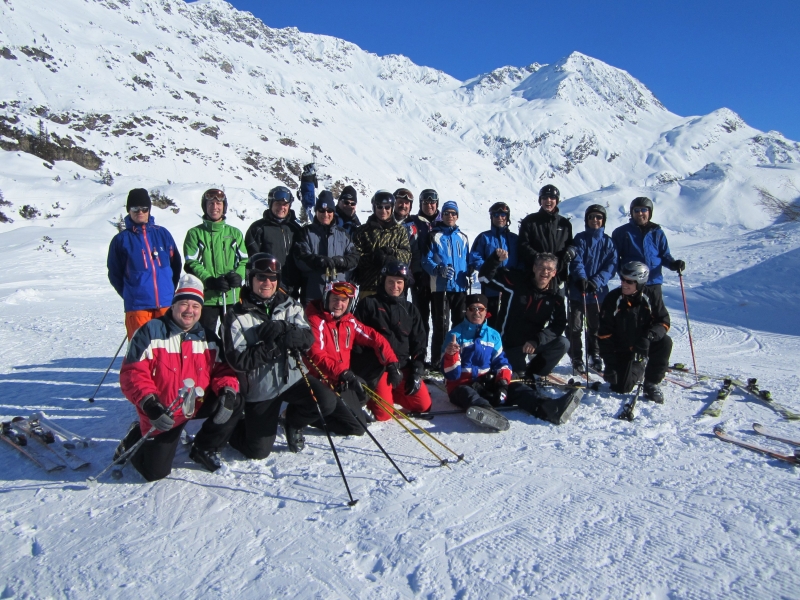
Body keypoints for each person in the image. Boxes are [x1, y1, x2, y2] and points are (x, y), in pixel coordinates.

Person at [224, 253, 358, 458]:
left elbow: (307, 338)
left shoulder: (290, 304)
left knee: (326, 400)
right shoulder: (236, 315)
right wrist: (275, 346)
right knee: (258, 451)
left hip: (293, 378)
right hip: (261, 388)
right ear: (250, 278)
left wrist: (285, 327)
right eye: (261, 277)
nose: (267, 283)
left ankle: (293, 422)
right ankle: (234, 428)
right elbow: (238, 360)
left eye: (273, 278)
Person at [116, 274, 242, 480]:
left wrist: (227, 391)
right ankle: (132, 439)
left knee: (235, 400)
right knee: (155, 472)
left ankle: (204, 447)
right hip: (164, 410)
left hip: (196, 402)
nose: (189, 311)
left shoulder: (208, 338)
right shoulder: (150, 332)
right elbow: (132, 374)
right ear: (173, 306)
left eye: (196, 306)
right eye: (184, 304)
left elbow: (223, 371)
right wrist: (150, 404)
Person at [442, 294, 583, 429]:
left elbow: (501, 362)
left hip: (484, 382)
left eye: (481, 309)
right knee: (468, 394)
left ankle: (551, 409)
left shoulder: (493, 335)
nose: (476, 312)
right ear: (466, 311)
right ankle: (486, 413)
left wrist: (502, 382)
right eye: (472, 308)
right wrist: (451, 355)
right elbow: (451, 375)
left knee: (517, 388)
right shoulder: (455, 335)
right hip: (461, 385)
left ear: (486, 312)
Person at [305, 281, 400, 424]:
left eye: (344, 300)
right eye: (335, 299)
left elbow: (375, 338)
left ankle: (354, 406)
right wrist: (344, 374)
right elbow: (317, 356)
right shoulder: (315, 321)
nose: (339, 304)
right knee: (356, 426)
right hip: (321, 381)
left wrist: (392, 362)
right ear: (326, 298)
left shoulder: (348, 321)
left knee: (376, 359)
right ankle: (309, 415)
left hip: (341, 380)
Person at [353, 261, 432, 421]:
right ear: (383, 281)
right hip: (378, 369)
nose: (395, 286)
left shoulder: (411, 310)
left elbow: (419, 344)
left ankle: (391, 393)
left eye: (399, 282)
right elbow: (356, 341)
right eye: (390, 281)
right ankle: (379, 395)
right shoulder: (369, 304)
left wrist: (416, 372)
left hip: (402, 367)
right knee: (383, 415)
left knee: (423, 405)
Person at [479, 251, 569, 378]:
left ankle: (535, 373)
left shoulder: (555, 296)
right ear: (534, 268)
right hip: (508, 344)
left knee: (563, 343)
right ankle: (518, 371)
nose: (545, 272)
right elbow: (484, 278)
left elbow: (558, 324)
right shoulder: (516, 282)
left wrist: (537, 340)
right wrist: (495, 259)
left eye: (549, 269)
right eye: (541, 267)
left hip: (531, 343)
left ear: (554, 272)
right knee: (514, 374)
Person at [107, 188, 182, 340]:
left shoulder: (162, 234)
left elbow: (176, 265)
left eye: (144, 208)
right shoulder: (121, 240)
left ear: (149, 210)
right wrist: (131, 294)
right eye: (135, 208)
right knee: (141, 352)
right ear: (129, 210)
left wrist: (168, 289)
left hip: (166, 304)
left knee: (168, 350)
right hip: (138, 307)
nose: (140, 212)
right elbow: (115, 274)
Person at [598, 261, 672, 403]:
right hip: (622, 348)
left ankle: (651, 382)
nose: (624, 284)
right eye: (622, 279)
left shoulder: (651, 296)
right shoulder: (613, 299)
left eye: (629, 281)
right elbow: (604, 334)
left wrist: (649, 336)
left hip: (644, 344)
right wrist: (610, 364)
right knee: (620, 388)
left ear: (639, 282)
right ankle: (639, 365)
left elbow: (663, 321)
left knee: (665, 342)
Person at [183, 188, 247, 332]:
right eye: (210, 204)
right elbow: (191, 261)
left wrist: (238, 276)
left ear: (224, 207)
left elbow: (244, 260)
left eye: (218, 204)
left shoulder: (234, 233)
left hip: (231, 296)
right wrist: (209, 280)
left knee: (232, 336)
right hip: (207, 297)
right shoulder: (195, 234)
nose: (215, 207)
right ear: (205, 207)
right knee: (205, 337)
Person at [567, 204, 617, 372]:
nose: (594, 220)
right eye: (591, 217)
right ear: (586, 220)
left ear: (603, 221)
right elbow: (576, 260)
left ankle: (594, 354)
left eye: (598, 217)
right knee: (575, 326)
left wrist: (596, 281)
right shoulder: (580, 239)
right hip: (578, 290)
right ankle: (576, 356)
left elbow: (611, 265)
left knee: (595, 326)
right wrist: (581, 278)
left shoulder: (608, 242)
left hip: (598, 292)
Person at [421, 200, 471, 367]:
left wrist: (470, 272)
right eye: (447, 213)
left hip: (460, 287)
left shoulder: (463, 238)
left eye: (453, 213)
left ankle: (456, 358)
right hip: (440, 287)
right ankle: (438, 360)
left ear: (457, 216)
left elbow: (467, 260)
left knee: (459, 324)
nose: (450, 216)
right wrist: (438, 269)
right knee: (441, 325)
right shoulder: (434, 235)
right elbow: (425, 260)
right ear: (442, 215)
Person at [611, 197, 685, 304]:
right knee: (633, 315)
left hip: (654, 282)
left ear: (649, 212)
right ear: (632, 213)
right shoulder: (621, 232)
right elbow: (615, 259)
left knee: (657, 315)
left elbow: (664, 255)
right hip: (632, 283)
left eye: (644, 210)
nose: (640, 213)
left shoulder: (657, 232)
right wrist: (624, 277)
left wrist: (673, 264)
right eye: (636, 210)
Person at [293, 190, 360, 304]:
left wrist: (342, 261)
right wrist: (317, 261)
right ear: (316, 211)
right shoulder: (305, 233)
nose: (326, 214)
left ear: (333, 212)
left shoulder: (343, 234)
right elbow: (300, 257)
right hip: (312, 295)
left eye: (329, 210)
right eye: (322, 210)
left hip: (338, 297)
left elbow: (355, 257)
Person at [468, 201, 519, 330]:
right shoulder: (484, 237)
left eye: (503, 214)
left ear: (507, 217)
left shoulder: (514, 239)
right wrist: (488, 269)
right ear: (491, 217)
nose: (500, 218)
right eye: (496, 215)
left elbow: (521, 260)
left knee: (510, 319)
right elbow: (475, 257)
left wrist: (516, 274)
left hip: (511, 284)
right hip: (491, 285)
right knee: (491, 320)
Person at [351, 190, 412, 296]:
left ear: (392, 208)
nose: (383, 210)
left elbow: (407, 255)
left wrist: (392, 253)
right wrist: (373, 257)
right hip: (369, 285)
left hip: (393, 288)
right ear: (374, 207)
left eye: (387, 207)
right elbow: (355, 258)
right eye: (379, 207)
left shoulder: (400, 231)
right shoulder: (363, 231)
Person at [245, 186, 303, 294]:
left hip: (293, 288)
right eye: (277, 204)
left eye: (285, 205)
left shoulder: (295, 229)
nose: (281, 208)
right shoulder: (258, 228)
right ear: (271, 204)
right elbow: (251, 260)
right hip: (268, 287)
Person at [517, 184, 574, 292]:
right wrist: (539, 259)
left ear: (556, 201)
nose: (548, 200)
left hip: (558, 276)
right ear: (540, 201)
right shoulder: (530, 221)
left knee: (558, 307)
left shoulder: (565, 224)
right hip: (535, 277)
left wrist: (571, 251)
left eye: (552, 197)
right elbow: (523, 245)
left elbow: (570, 244)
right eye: (544, 198)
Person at [406, 189, 440, 361]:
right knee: (421, 319)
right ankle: (419, 356)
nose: (429, 205)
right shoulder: (413, 222)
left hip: (439, 280)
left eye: (432, 202)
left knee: (440, 320)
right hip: (419, 277)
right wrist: (415, 273)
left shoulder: (444, 222)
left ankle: (437, 358)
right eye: (425, 203)